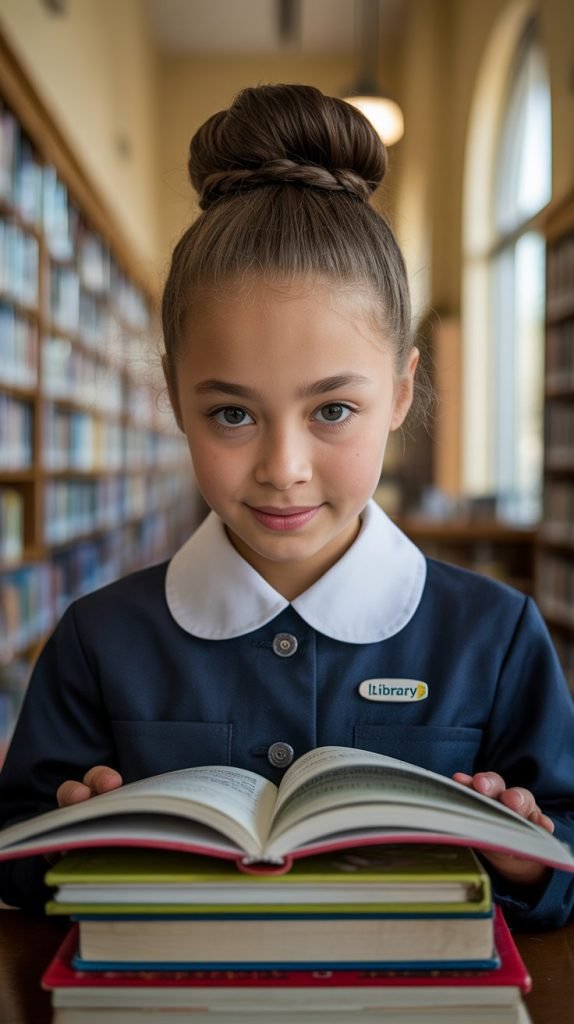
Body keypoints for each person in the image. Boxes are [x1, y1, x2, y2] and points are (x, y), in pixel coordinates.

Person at [0, 84, 573, 925]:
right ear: (172, 395)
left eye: (332, 410)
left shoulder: (496, 637)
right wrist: (69, 842)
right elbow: (16, 847)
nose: (284, 468)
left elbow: (565, 843)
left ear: (402, 390)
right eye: (232, 413)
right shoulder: (96, 638)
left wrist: (525, 865)